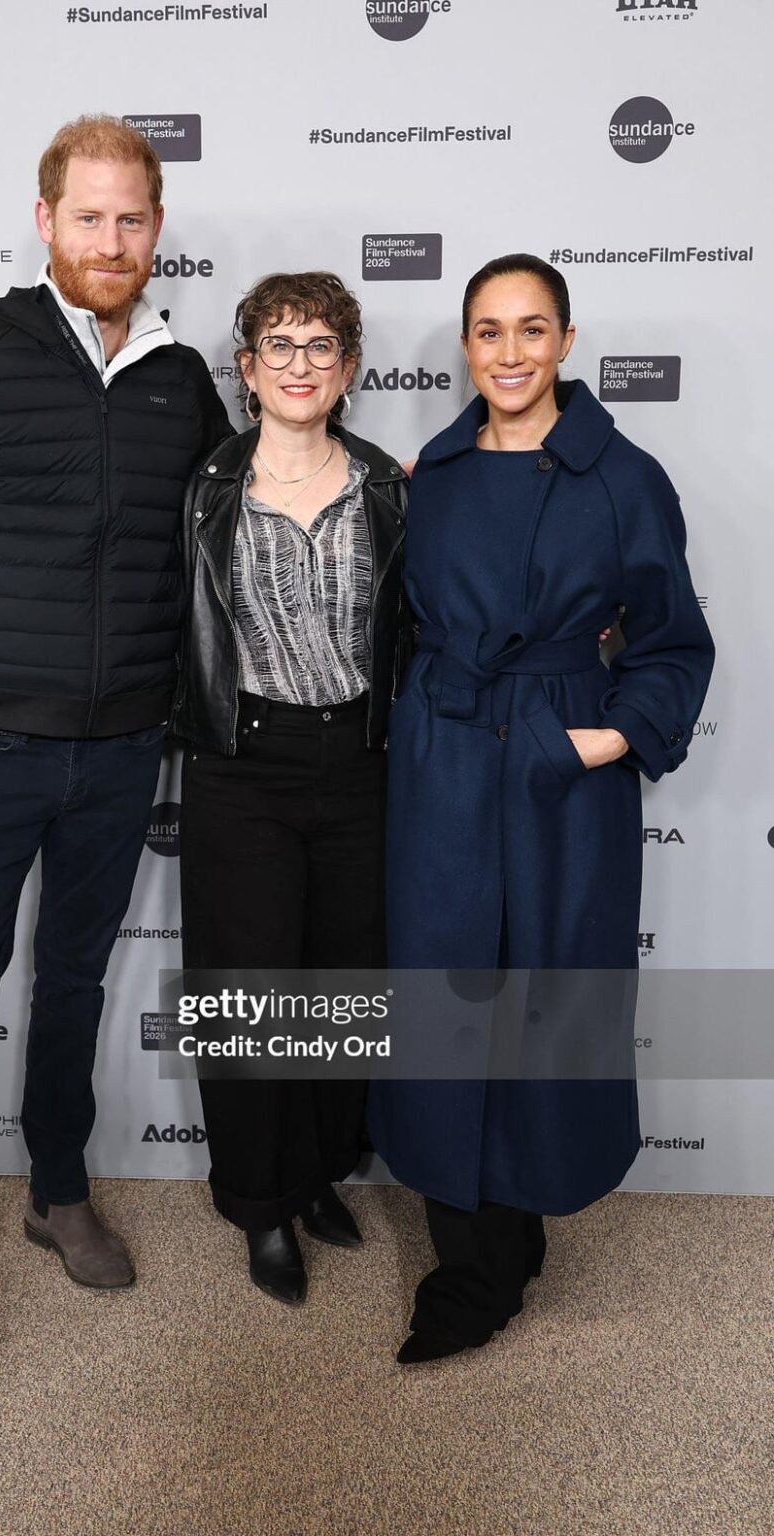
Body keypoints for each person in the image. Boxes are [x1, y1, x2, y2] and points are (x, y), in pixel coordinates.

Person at [0, 115, 231, 1405]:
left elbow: (219, 536)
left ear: (155, 229)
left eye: (130, 219)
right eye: (88, 217)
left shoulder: (181, 378)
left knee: (72, 982)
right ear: (44, 221)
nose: (110, 240)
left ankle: (57, 1189)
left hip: (120, 750)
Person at [369, 253, 714, 1364]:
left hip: (558, 764)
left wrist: (599, 741)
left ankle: (517, 1227)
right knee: (442, 993)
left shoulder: (624, 477)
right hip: (443, 755)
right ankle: (469, 1262)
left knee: (546, 993)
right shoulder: (434, 470)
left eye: (530, 329)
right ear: (465, 347)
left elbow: (672, 640)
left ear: (565, 342)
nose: (508, 352)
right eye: (487, 330)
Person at [172, 272, 409, 1304]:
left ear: (348, 367)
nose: (299, 365)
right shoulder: (204, 489)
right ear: (247, 367)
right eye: (279, 345)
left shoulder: (389, 486)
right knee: (248, 995)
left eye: (320, 346)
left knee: (342, 986)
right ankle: (257, 1203)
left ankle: (316, 1175)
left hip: (360, 763)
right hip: (243, 763)